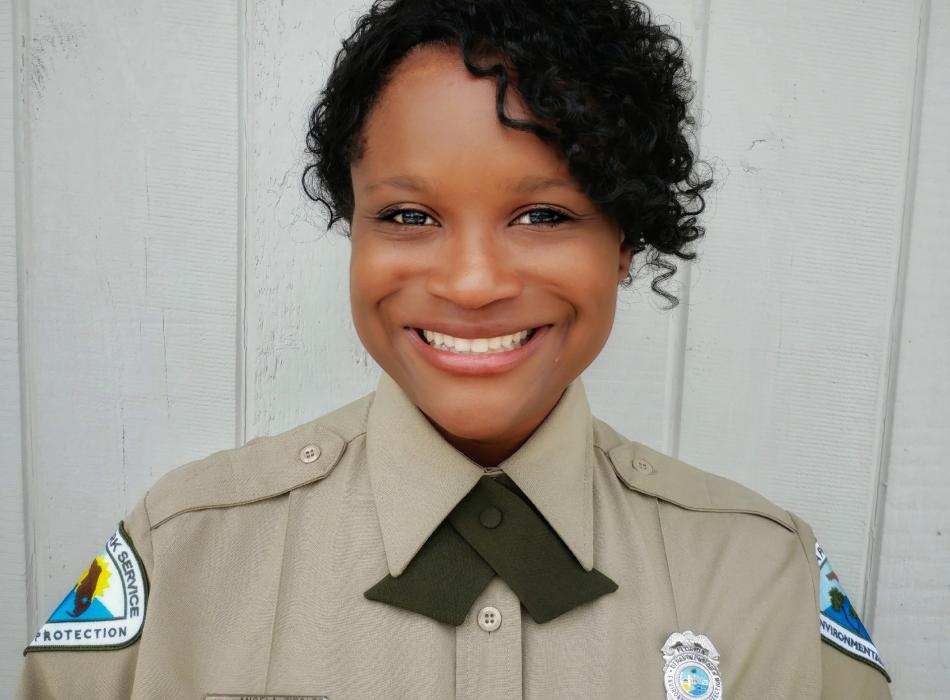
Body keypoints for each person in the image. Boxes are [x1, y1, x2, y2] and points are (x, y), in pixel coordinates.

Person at [18, 0, 892, 698]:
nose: (474, 283)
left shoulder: (762, 578)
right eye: (409, 216)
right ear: (353, 229)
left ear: (624, 241)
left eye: (543, 214)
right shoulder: (184, 556)